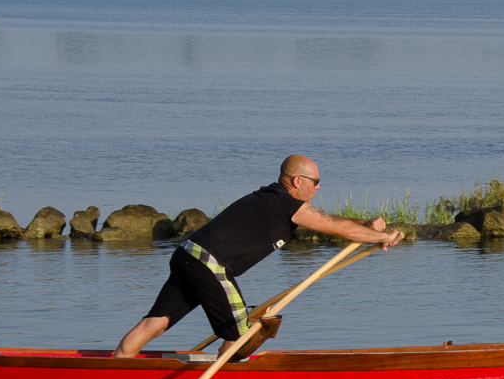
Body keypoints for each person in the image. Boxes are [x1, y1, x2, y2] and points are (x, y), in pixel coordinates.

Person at [113, 154, 401, 359]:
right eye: (316, 181)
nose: (319, 187)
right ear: (297, 180)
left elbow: (326, 218)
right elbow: (335, 227)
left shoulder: (279, 200)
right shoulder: (283, 202)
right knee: (242, 335)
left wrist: (364, 225)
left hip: (188, 254)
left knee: (156, 323)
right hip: (208, 262)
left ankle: (117, 368)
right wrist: (383, 237)